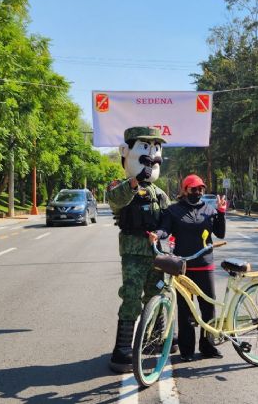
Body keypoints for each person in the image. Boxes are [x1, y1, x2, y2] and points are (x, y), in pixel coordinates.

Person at [107, 126, 171, 373]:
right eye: (146, 147)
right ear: (127, 152)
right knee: (131, 297)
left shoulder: (159, 193)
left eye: (156, 148)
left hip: (156, 253)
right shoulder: (121, 186)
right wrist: (133, 182)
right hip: (133, 254)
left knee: (157, 294)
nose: (152, 155)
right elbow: (115, 200)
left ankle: (156, 339)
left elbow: (168, 218)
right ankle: (123, 349)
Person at [149, 174, 226, 362]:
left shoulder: (209, 210)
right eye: (194, 189)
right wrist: (157, 235)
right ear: (184, 190)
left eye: (201, 189)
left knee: (208, 308)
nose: (198, 192)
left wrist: (221, 213)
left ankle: (208, 347)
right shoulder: (173, 211)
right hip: (183, 267)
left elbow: (220, 233)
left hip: (205, 265)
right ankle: (187, 350)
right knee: (185, 311)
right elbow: (165, 230)